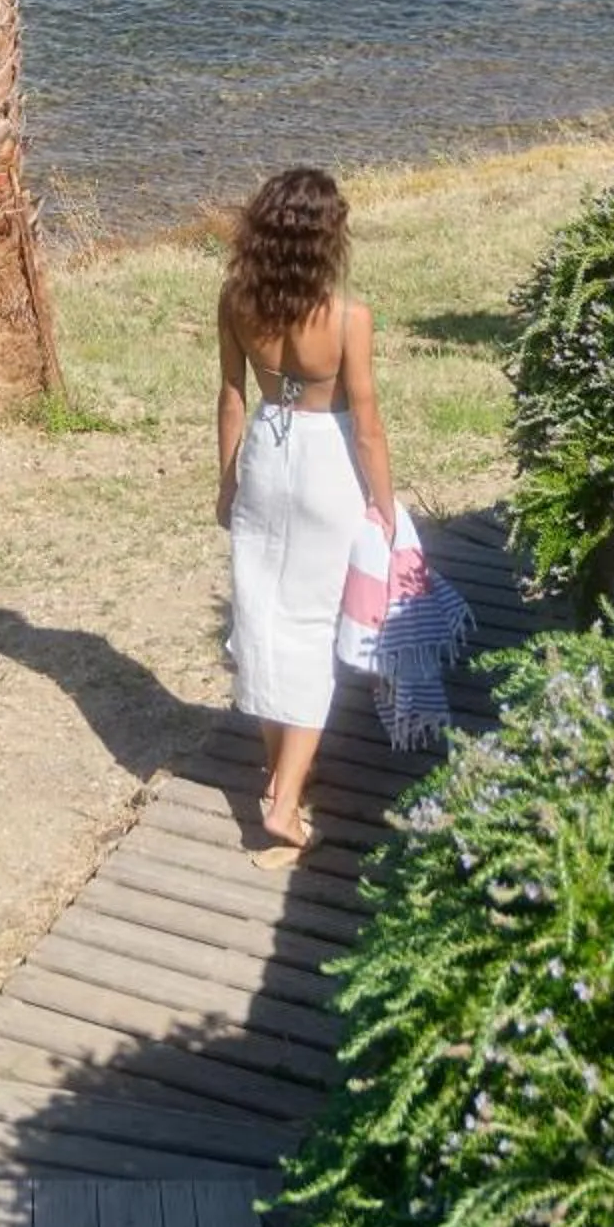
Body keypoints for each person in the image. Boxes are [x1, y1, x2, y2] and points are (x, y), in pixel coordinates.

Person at [216, 165, 394, 867]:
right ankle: (285, 804)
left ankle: (278, 770)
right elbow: (370, 425)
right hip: (327, 463)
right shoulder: (349, 318)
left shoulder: (235, 300)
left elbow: (232, 397)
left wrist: (227, 482)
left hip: (266, 449)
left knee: (260, 613)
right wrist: (384, 504)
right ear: (328, 239)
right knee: (313, 627)